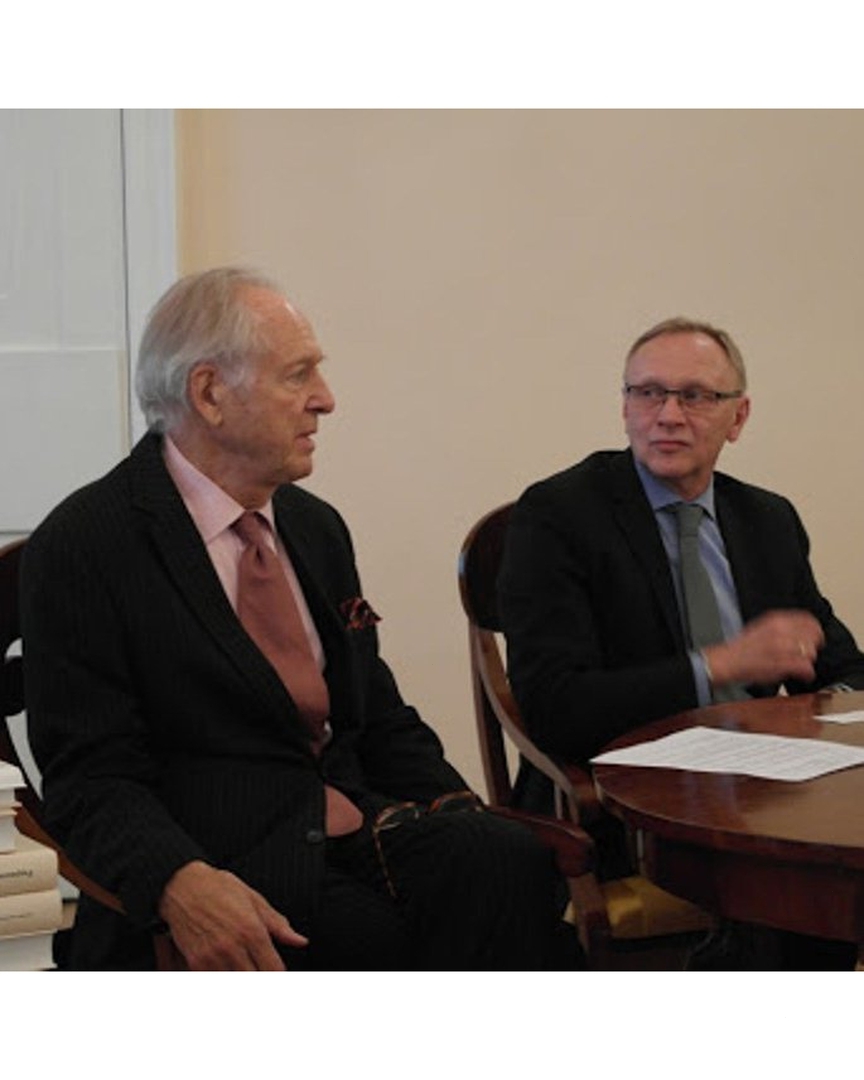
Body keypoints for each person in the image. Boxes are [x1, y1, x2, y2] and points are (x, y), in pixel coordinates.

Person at [21, 267, 574, 971]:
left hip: (353, 828)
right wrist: (177, 882)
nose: (326, 399)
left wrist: (459, 807)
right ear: (209, 394)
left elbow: (379, 716)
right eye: (298, 374)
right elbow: (91, 776)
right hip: (221, 861)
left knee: (512, 866)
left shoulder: (315, 528)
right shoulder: (86, 546)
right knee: (393, 938)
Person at [498, 316, 864, 968]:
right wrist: (716, 665)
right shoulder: (559, 515)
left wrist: (824, 712)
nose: (667, 414)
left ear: (738, 416)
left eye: (694, 396)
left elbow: (842, 668)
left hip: (769, 791)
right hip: (625, 806)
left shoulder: (767, 520)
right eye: (647, 393)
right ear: (625, 407)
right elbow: (556, 705)